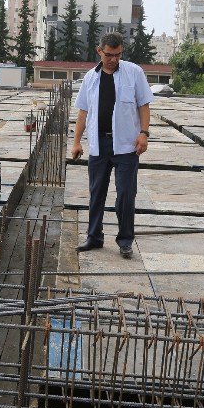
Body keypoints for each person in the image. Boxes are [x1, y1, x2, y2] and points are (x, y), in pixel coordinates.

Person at [70, 32, 153, 259]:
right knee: (97, 192)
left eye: (117, 55)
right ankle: (94, 237)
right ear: (100, 51)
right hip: (99, 144)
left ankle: (125, 240)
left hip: (126, 146)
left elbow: (144, 106)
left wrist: (144, 133)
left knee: (126, 194)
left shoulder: (134, 73)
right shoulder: (90, 77)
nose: (113, 59)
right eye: (109, 55)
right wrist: (77, 142)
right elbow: (83, 112)